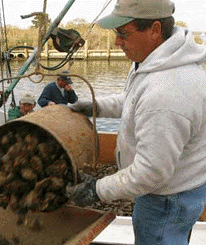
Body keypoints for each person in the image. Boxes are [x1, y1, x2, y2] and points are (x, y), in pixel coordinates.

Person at [67, 0, 206, 244]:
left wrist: (95, 190)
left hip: (167, 202)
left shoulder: (168, 91)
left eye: (123, 34)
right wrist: (94, 106)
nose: (117, 42)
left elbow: (150, 173)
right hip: (172, 191)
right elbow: (133, 101)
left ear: (154, 29)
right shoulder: (156, 61)